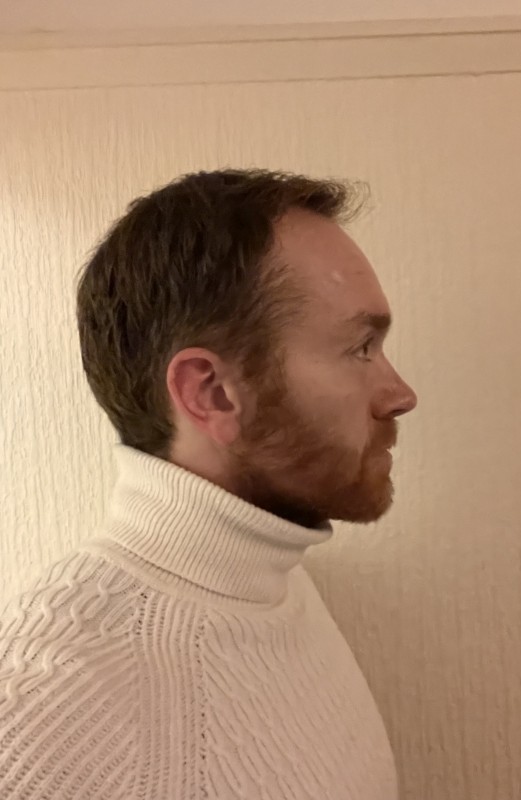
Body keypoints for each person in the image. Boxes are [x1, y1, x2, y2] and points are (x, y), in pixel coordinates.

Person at [0, 169, 417, 799]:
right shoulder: (45, 717)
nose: (400, 394)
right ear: (212, 393)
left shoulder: (275, 581)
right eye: (361, 348)